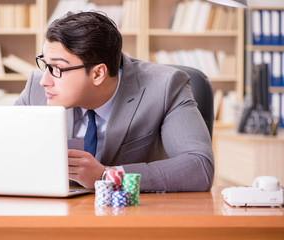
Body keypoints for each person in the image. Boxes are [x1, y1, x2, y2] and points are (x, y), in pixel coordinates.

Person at [15, 11, 214, 192]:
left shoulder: (165, 87)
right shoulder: (37, 88)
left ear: (98, 73)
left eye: (56, 68)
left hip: (132, 218)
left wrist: (107, 176)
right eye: (45, 64)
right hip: (55, 216)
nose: (44, 80)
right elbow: (3, 153)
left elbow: (199, 167)